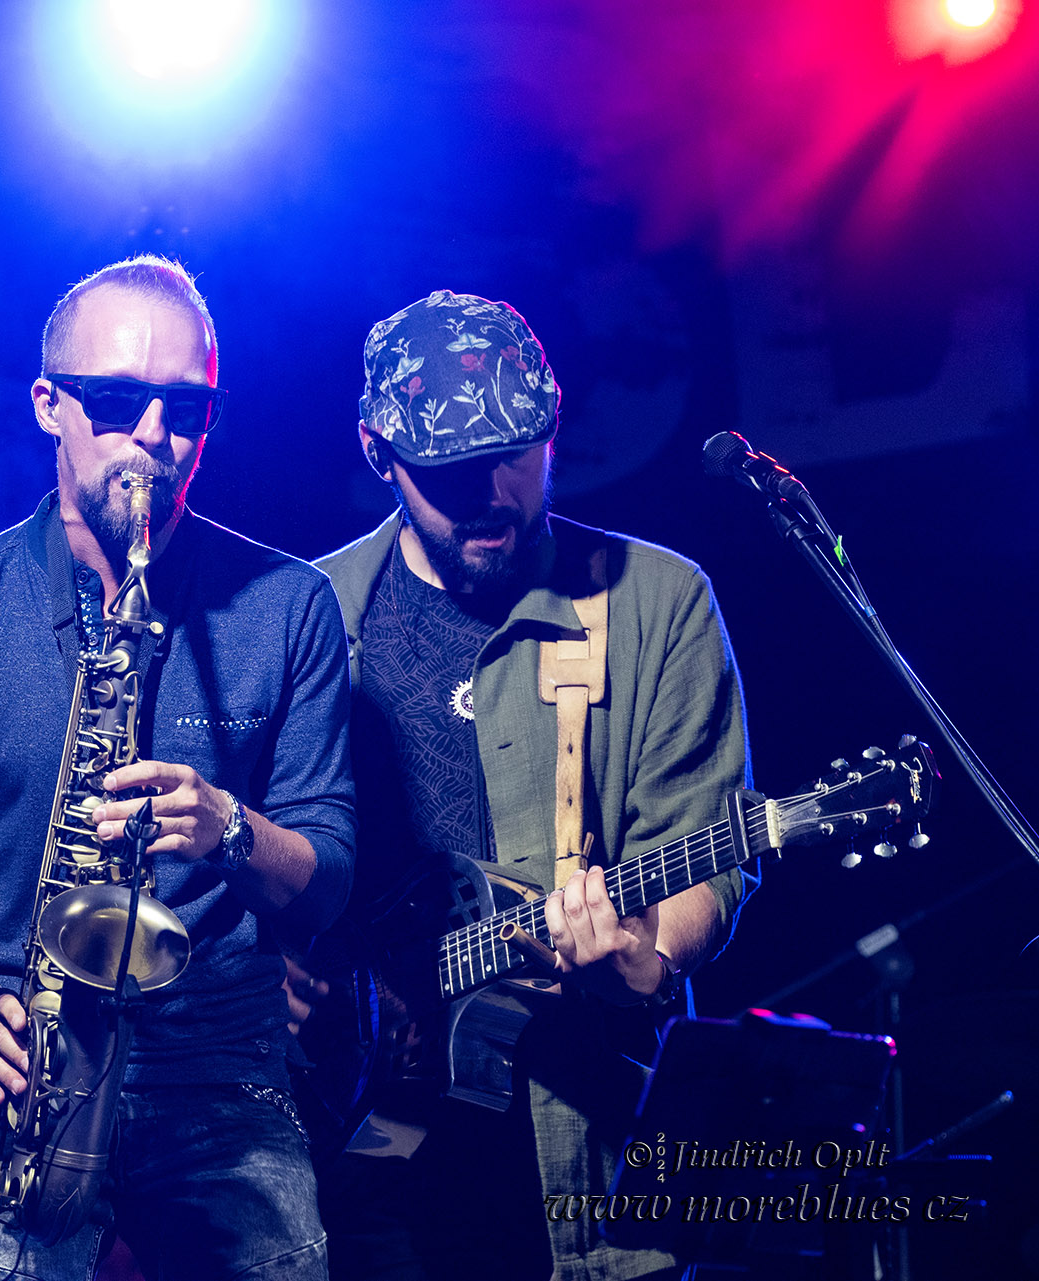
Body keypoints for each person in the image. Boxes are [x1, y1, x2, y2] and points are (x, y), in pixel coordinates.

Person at [0, 255, 356, 1280]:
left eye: (187, 410)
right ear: (50, 404)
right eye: (119, 402)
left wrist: (230, 830)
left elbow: (330, 873)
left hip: (218, 1058)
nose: (156, 440)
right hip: (14, 1053)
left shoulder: (291, 605)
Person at [307, 291, 755, 1281]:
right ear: (378, 454)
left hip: (581, 1151)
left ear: (552, 429)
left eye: (514, 453)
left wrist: (653, 954)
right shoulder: (305, 616)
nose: (489, 493)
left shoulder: (658, 602)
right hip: (362, 1163)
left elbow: (703, 842)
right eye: (449, 471)